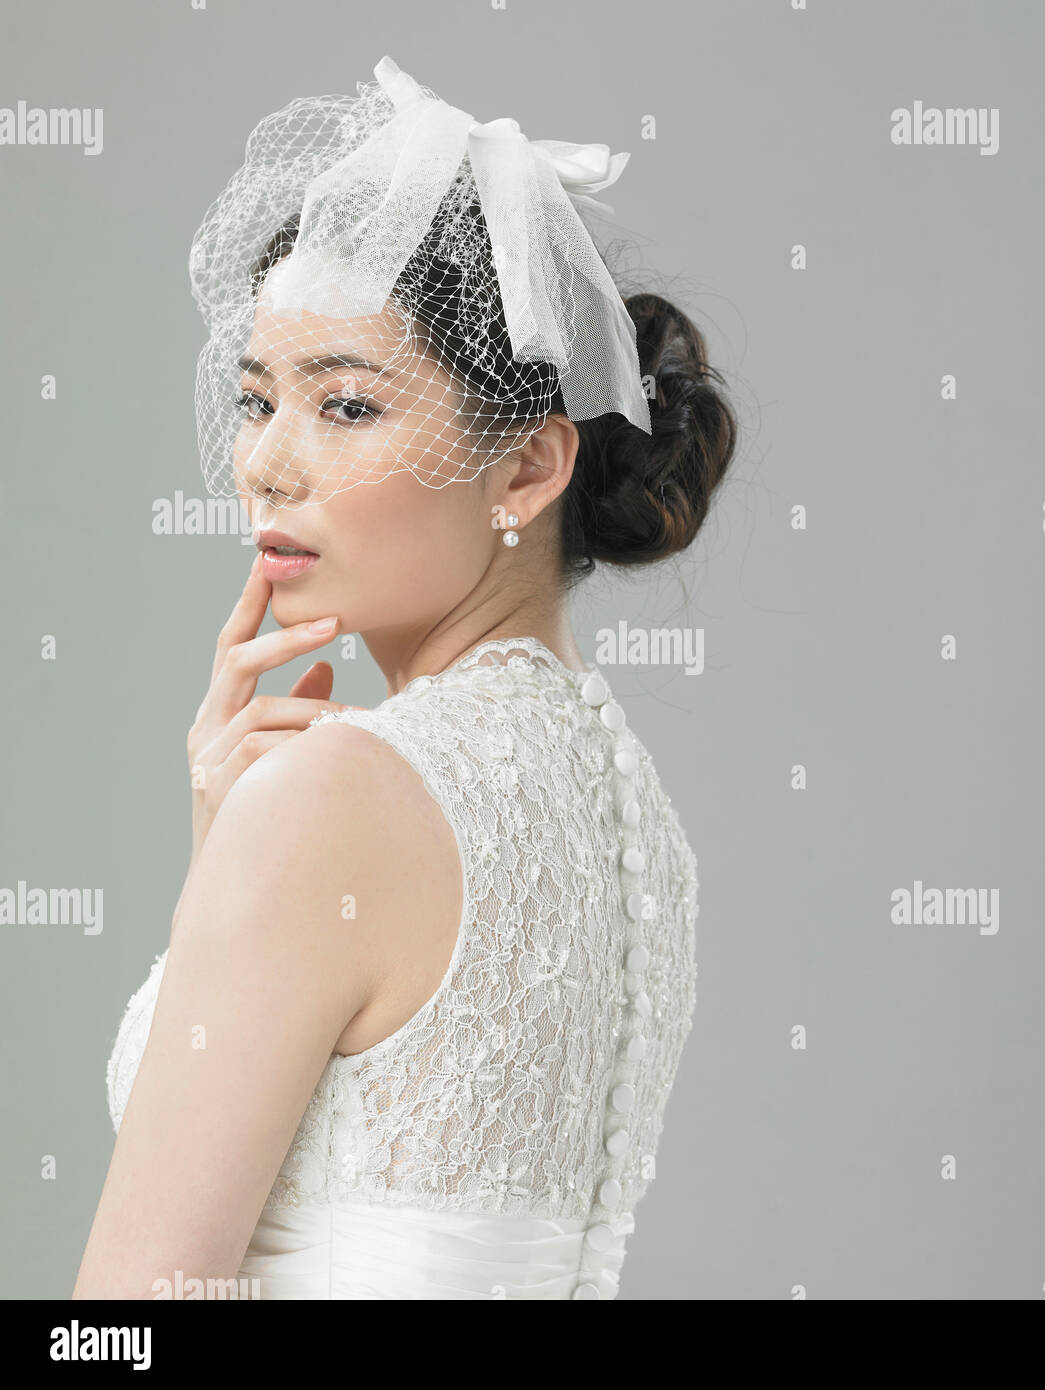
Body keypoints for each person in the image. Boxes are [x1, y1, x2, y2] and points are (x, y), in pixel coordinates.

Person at [73, 56, 736, 1300]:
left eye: (349, 407)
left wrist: (261, 835)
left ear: (529, 470)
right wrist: (229, 839)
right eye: (257, 398)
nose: (269, 463)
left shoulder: (333, 798)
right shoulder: (633, 824)